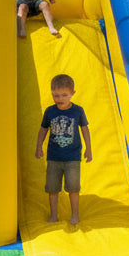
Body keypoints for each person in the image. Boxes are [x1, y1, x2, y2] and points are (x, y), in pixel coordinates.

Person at [34, 73, 92, 225]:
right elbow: (43, 129)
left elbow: (85, 129)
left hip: (73, 157)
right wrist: (38, 146)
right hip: (54, 157)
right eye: (56, 95)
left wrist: (88, 149)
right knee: (52, 188)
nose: (60, 99)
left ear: (72, 93)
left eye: (64, 95)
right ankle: (54, 215)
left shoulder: (77, 111)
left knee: (73, 187)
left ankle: (75, 215)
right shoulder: (50, 111)